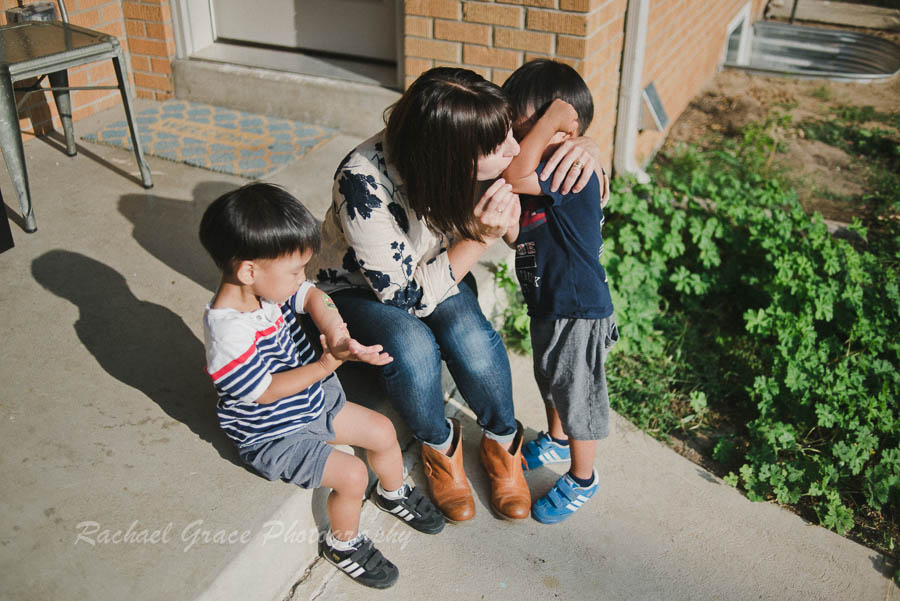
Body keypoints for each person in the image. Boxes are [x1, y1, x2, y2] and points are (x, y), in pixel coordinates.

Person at [199, 183, 444, 589]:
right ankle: (343, 542)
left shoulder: (267, 288)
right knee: (350, 475)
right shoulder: (227, 333)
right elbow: (267, 391)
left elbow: (313, 296)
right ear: (248, 270)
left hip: (311, 402)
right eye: (295, 269)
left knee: (382, 431)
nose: (302, 277)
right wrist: (327, 362)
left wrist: (337, 332)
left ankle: (393, 490)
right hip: (274, 432)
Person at [500, 59, 618, 524]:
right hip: (549, 304)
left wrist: (555, 120)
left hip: (578, 308)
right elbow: (518, 236)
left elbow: (514, 173)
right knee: (551, 380)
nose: (517, 142)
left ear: (564, 132)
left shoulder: (572, 171)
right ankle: (556, 438)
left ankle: (582, 478)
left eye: (528, 128)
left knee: (576, 394)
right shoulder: (539, 181)